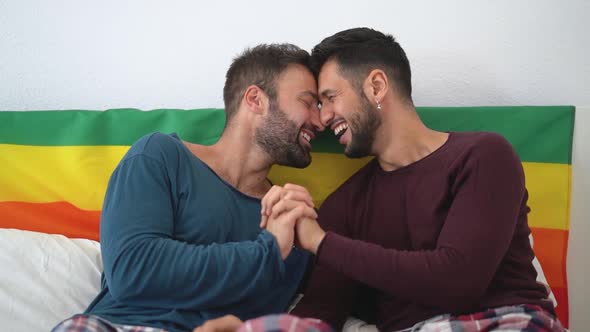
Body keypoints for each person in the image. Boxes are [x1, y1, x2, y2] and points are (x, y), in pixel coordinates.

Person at [257, 28, 565, 331]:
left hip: (505, 320)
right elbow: (322, 311)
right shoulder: (346, 203)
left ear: (376, 87)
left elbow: (458, 282)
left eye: (330, 98)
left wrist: (320, 241)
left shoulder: (483, 155)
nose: (323, 118)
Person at [52, 43, 324, 332]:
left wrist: (318, 244)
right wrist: (267, 251)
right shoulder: (160, 155)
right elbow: (132, 270)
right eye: (308, 102)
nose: (320, 121)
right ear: (255, 99)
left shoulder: (291, 216)